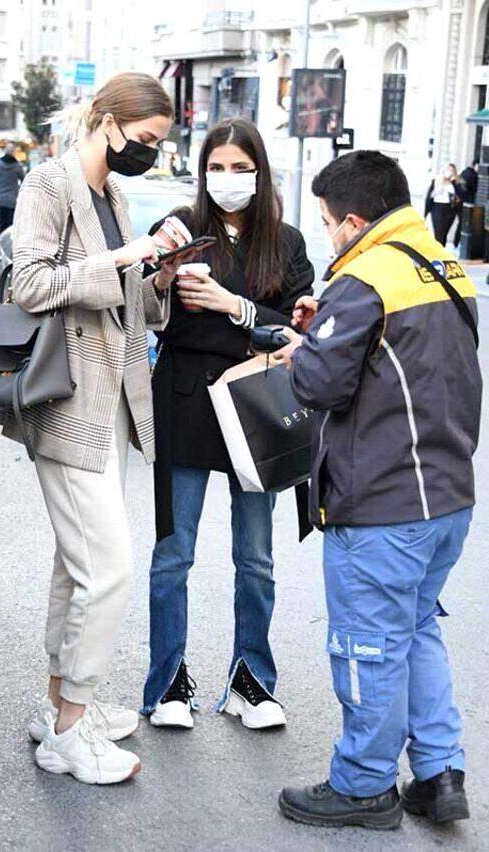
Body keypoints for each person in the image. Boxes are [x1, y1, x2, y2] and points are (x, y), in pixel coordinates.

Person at [274, 150, 481, 829]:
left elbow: (321, 384)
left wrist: (307, 346)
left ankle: (363, 784)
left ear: (356, 219)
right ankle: (438, 774)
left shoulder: (364, 278)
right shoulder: (438, 262)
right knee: (416, 630)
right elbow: (400, 359)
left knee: (368, 643)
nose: (331, 234)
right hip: (447, 495)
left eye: (331, 223)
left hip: (385, 502)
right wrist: (326, 327)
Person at [7, 72, 186, 785]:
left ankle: (56, 707)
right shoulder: (48, 186)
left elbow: (121, 306)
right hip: (68, 400)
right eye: (144, 140)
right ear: (106, 121)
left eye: (157, 144)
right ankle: (71, 733)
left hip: (110, 400)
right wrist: (120, 255)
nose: (148, 152)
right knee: (106, 571)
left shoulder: (113, 193)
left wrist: (162, 273)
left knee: (75, 565)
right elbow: (31, 286)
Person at [141, 118, 315, 730]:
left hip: (256, 404)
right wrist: (163, 279)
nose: (228, 179)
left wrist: (231, 307)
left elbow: (297, 330)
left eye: (241, 168)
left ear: (261, 172)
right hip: (186, 400)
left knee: (256, 558)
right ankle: (167, 684)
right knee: (173, 554)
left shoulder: (286, 242)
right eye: (217, 167)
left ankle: (252, 680)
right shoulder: (181, 228)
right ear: (202, 170)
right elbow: (149, 312)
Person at [425, 163, 463, 246]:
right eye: (447, 169)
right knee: (438, 232)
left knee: (444, 233)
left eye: (451, 170)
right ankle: (437, 253)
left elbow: (460, 196)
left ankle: (441, 252)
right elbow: (431, 195)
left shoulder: (456, 183)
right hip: (437, 207)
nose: (449, 172)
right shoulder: (437, 181)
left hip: (450, 209)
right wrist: (442, 183)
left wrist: (453, 182)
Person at [0, 143, 25, 231]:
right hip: (13, 198)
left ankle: (2, 239)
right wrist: (20, 193)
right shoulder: (17, 166)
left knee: (3, 222)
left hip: (1, 198)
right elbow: (24, 181)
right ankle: (9, 241)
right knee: (11, 223)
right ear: (14, 152)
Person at [453, 159, 479, 248]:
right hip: (466, 204)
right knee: (463, 225)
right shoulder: (471, 175)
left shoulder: (465, 173)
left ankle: (456, 245)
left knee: (461, 225)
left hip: (461, 204)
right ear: (476, 165)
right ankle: (457, 245)